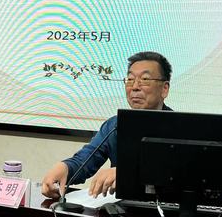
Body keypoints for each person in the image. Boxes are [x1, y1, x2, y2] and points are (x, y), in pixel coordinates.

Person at [41, 51, 172, 199]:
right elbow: (86, 159)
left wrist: (125, 173)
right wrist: (65, 167)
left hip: (165, 209)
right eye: (130, 79)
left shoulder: (181, 128)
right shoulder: (114, 125)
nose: (135, 87)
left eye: (145, 79)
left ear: (164, 89)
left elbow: (179, 173)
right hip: (122, 208)